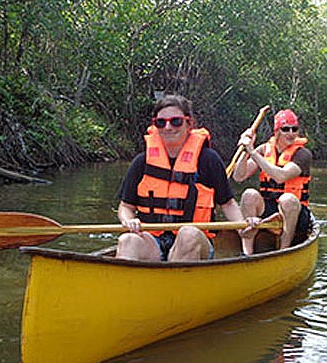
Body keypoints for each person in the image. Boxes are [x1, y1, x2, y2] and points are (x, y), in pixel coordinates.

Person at [115, 95, 255, 261]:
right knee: (127, 240)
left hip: (196, 240)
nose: (168, 127)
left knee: (188, 233)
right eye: (161, 122)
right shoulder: (142, 162)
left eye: (176, 121)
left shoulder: (208, 159)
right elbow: (125, 207)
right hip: (153, 240)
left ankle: (174, 283)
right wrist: (129, 220)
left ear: (189, 124)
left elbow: (228, 203)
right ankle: (129, 284)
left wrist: (242, 228)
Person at [232, 109, 312, 254]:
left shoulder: (303, 154)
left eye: (294, 129)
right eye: (285, 129)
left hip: (295, 212)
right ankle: (246, 252)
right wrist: (245, 150)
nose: (291, 133)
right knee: (249, 194)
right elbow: (239, 176)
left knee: (287, 199)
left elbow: (281, 176)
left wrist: (253, 152)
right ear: (277, 131)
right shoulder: (264, 150)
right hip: (269, 207)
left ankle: (283, 251)